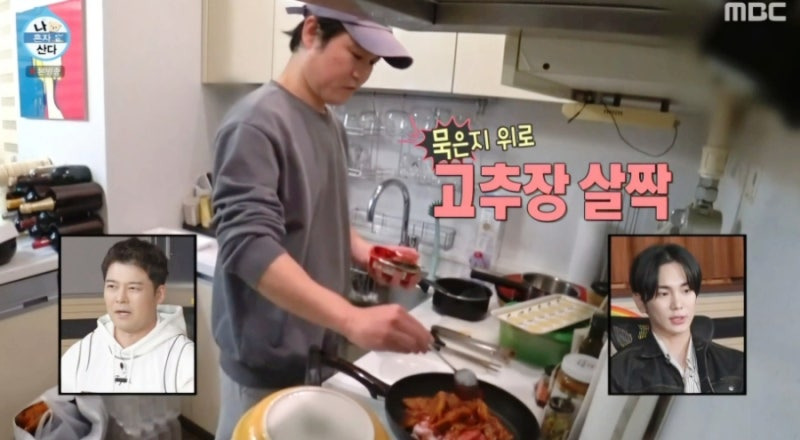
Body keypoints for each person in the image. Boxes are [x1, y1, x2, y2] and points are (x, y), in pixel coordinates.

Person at [210, 3, 433, 438]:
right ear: (311, 32)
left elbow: (319, 217)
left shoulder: (330, 124)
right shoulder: (255, 123)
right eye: (355, 55)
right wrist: (351, 319)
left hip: (315, 354)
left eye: (371, 63)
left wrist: (366, 252)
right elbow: (249, 247)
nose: (361, 74)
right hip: (263, 366)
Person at [60, 238, 195, 393]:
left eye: (133, 288)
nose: (120, 298)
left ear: (159, 294)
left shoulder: (185, 361)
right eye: (112, 286)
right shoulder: (78, 356)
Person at [609, 243, 744, 394]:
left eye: (686, 290)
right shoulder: (618, 373)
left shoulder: (736, 364)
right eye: (663, 294)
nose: (678, 305)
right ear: (640, 302)